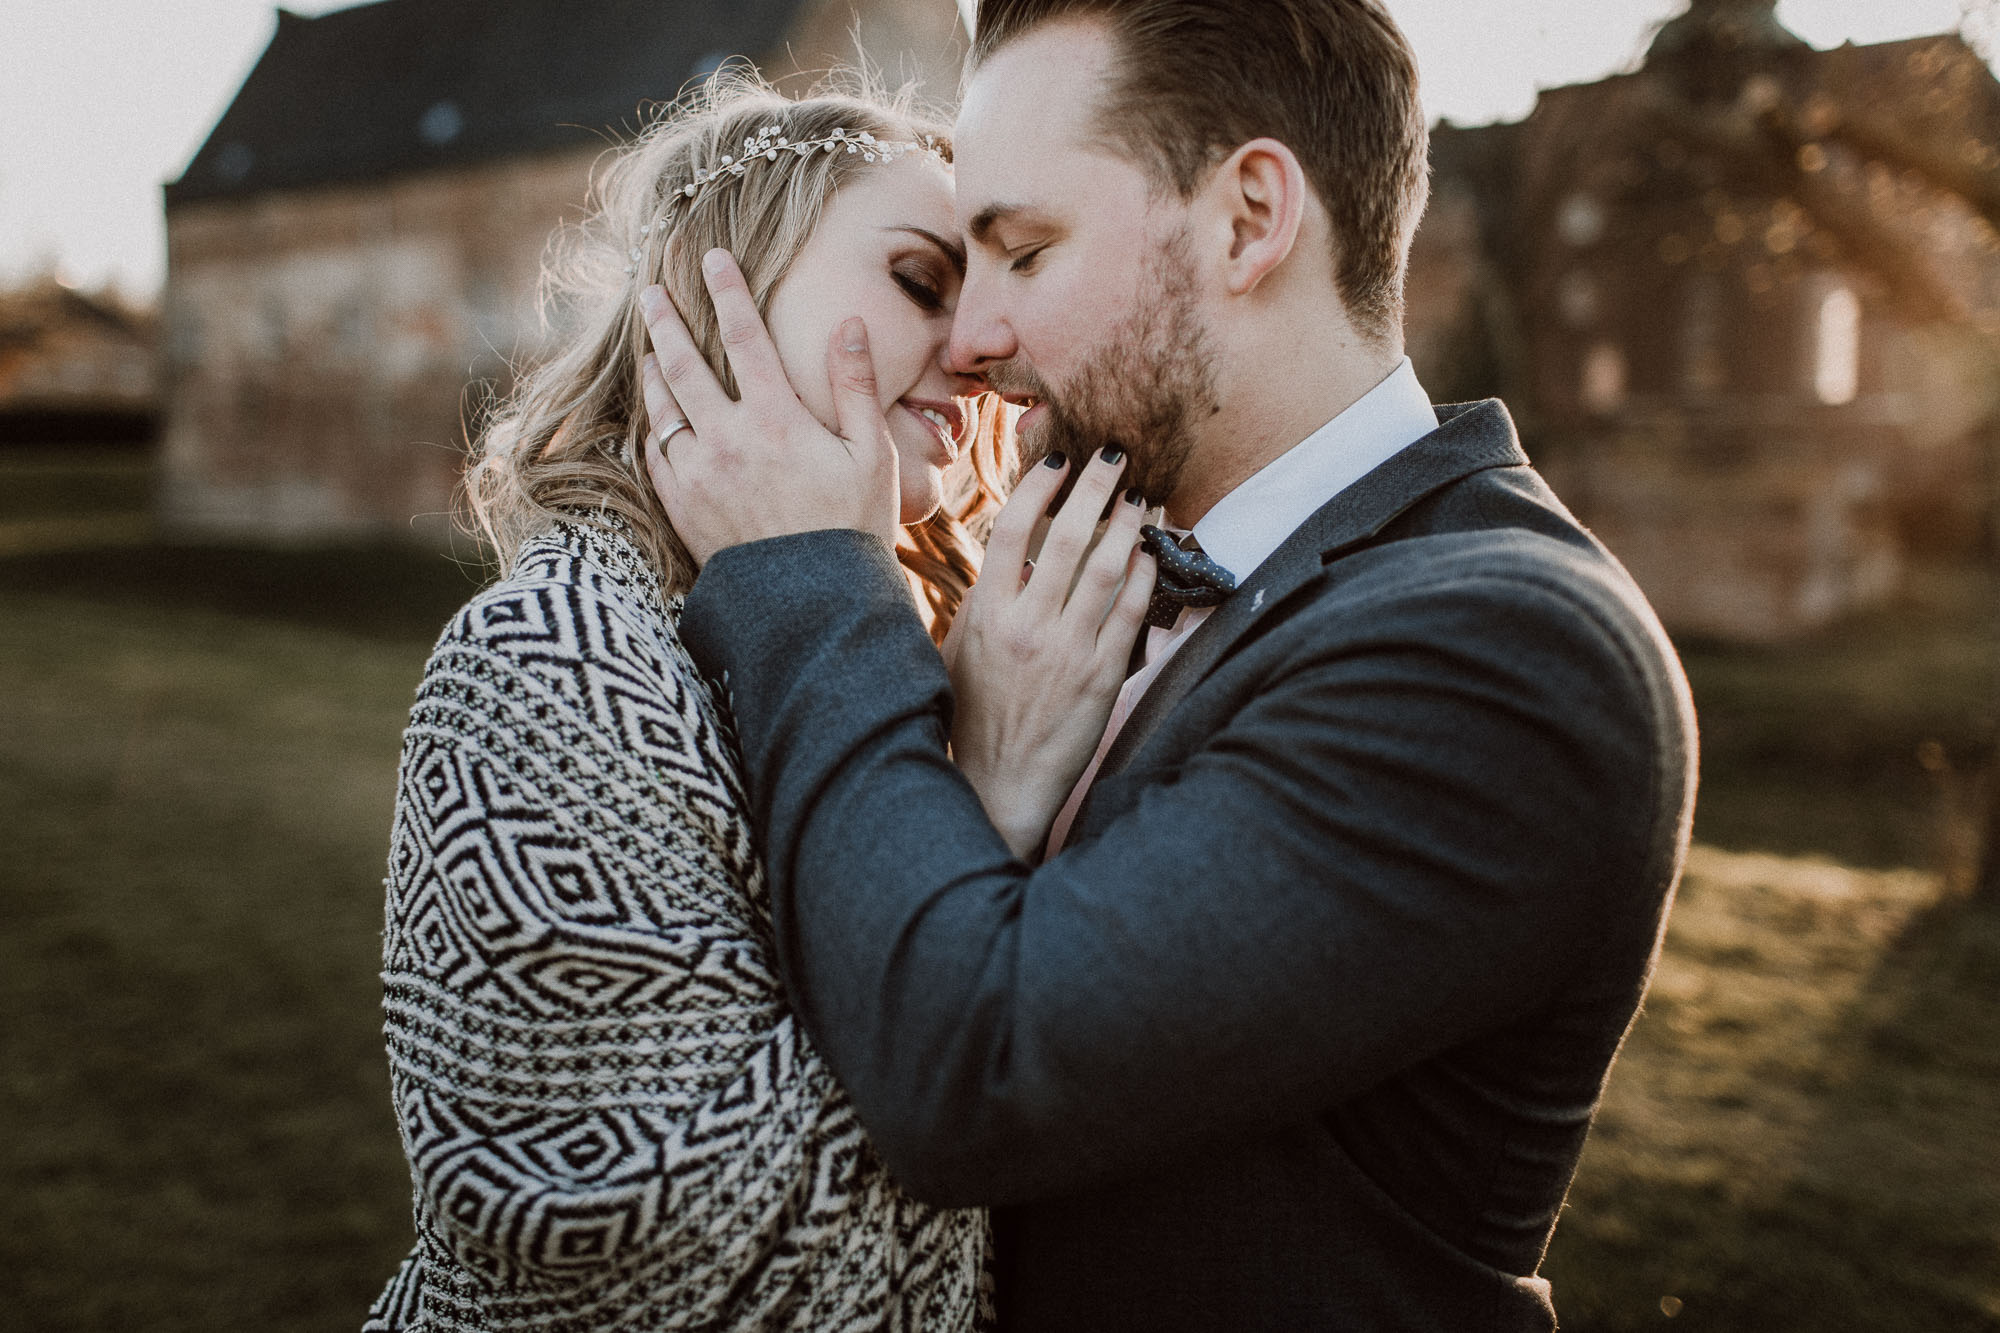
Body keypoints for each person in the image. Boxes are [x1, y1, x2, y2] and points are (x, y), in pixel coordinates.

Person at [634, 1, 1700, 1329]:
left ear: (1250, 219)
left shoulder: (1511, 648)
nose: (969, 339)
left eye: (1024, 249)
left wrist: (803, 573)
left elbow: (976, 1064)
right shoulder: (1091, 570)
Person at [364, 72, 1153, 1332]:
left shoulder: (933, 640)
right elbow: (653, 1260)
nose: (975, 351)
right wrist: (989, 806)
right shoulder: (542, 662)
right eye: (917, 279)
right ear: (725, 277)